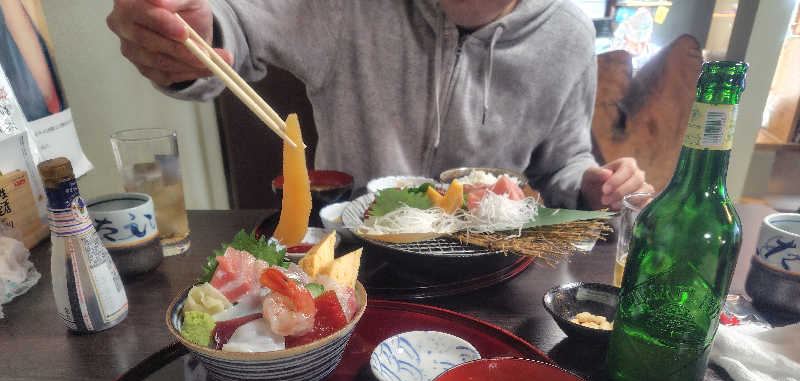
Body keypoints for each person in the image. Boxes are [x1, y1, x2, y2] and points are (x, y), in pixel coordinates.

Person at [107, 0, 653, 210]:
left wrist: (592, 182)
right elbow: (233, 29)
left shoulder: (568, 35)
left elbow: (563, 163)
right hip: (359, 261)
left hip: (491, 266)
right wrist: (189, 40)